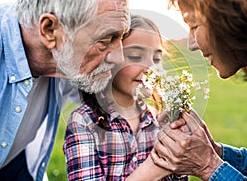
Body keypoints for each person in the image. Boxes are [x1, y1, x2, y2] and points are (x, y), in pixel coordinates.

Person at [0, 0, 130, 180]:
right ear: (50, 30)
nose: (118, 56)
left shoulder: (68, 58)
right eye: (105, 41)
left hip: (15, 165)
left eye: (121, 37)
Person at [150, 0, 247, 180]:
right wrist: (216, 152)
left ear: (231, 15)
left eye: (194, 25)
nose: (191, 44)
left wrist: (208, 166)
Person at [63, 14, 188, 180]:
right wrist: (157, 166)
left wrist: (180, 164)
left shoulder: (157, 121)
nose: (150, 67)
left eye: (157, 58)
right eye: (136, 56)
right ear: (111, 59)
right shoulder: (84, 122)